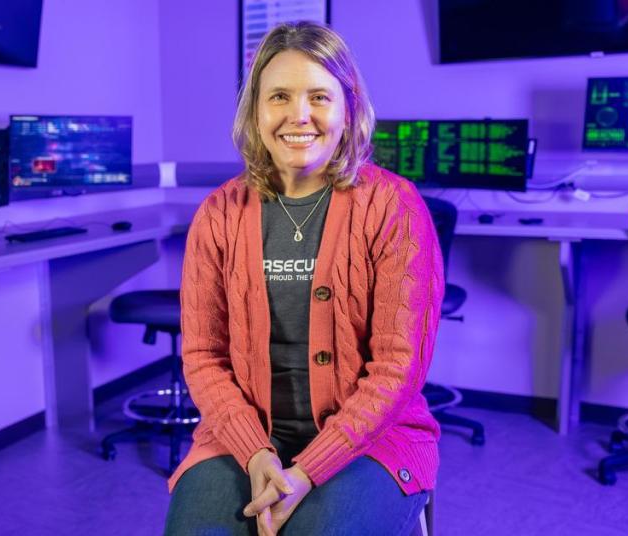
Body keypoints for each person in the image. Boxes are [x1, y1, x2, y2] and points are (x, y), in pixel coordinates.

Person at [164, 21, 443, 536]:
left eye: (319, 95)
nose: (299, 115)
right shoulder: (219, 213)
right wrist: (254, 454)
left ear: (348, 108)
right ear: (255, 111)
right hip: (242, 435)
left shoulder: (393, 208)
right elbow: (203, 357)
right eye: (279, 96)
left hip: (372, 438)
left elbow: (397, 367)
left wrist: (307, 471)